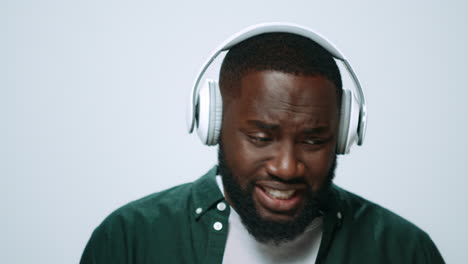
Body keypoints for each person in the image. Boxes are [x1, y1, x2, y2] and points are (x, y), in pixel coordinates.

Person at [80, 23, 445, 264]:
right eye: (260, 138)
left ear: (345, 134)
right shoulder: (129, 241)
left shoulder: (405, 251)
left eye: (314, 139)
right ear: (213, 125)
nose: (286, 167)